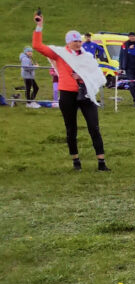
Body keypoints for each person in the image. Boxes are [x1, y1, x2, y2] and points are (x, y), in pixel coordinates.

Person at [31, 12, 108, 170]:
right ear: (68, 43)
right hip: (67, 94)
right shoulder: (60, 54)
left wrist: (82, 76)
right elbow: (37, 46)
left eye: (79, 40)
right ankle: (76, 161)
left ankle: (101, 162)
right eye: (75, 41)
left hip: (85, 94)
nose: (78, 43)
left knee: (94, 127)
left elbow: (96, 73)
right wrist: (39, 26)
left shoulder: (87, 56)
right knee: (71, 128)